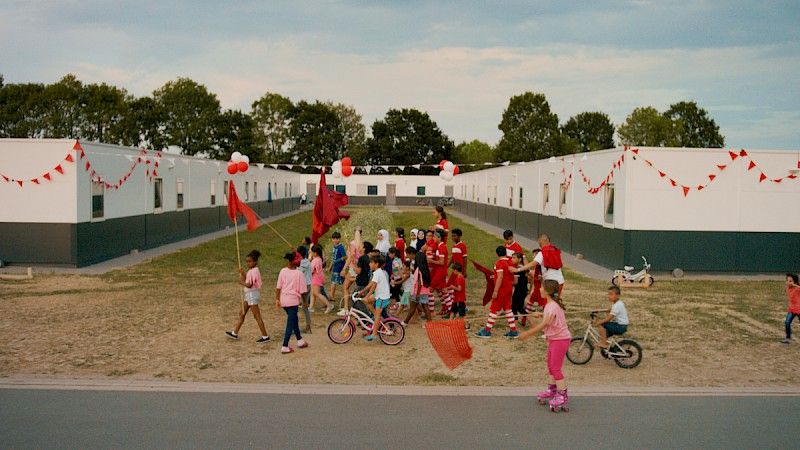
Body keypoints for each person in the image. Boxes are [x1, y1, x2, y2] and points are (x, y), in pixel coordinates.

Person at [520, 279, 571, 411]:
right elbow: (549, 318)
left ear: (547, 291)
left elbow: (544, 325)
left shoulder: (552, 306)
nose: (540, 290)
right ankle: (552, 390)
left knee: (555, 368)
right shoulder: (549, 305)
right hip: (554, 339)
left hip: (560, 339)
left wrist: (527, 334)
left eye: (542, 288)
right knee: (550, 365)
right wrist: (540, 314)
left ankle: (562, 395)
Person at [225, 250, 271, 343]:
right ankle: (235, 333)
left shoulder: (254, 271)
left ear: (255, 262)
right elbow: (248, 279)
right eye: (247, 261)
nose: (248, 263)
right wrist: (243, 274)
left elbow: (249, 285)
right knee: (242, 313)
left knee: (256, 315)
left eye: (250, 261)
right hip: (248, 295)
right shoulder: (251, 271)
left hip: (252, 294)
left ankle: (265, 336)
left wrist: (241, 282)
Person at [475, 246, 519, 339]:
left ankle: (487, 331)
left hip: (501, 289)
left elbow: (500, 277)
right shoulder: (510, 262)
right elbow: (514, 279)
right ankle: (513, 330)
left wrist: (495, 290)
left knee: (494, 309)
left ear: (497, 254)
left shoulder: (499, 263)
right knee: (508, 309)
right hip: (509, 289)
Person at [275, 251, 309, 354]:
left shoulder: (283, 271)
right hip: (293, 301)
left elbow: (278, 287)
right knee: (290, 323)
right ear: (295, 262)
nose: (300, 263)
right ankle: (285, 346)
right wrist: (304, 302)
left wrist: (277, 299)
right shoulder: (299, 274)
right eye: (299, 261)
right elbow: (303, 291)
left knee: (294, 319)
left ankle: (300, 340)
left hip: (283, 300)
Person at [513, 234, 565, 298]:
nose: (539, 244)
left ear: (542, 241)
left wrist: (518, 269)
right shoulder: (555, 250)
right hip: (560, 281)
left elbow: (533, 264)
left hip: (550, 282)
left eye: (539, 242)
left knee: (549, 301)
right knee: (556, 300)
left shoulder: (542, 252)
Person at [358, 254, 391, 342]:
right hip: (379, 295)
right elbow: (371, 284)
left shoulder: (378, 273)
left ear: (376, 264)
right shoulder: (377, 272)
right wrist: (362, 292)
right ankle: (376, 315)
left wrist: (367, 295)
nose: (369, 264)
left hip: (382, 297)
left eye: (371, 262)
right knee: (367, 301)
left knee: (376, 316)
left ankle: (374, 334)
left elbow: (373, 286)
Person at [403, 251, 431, 326]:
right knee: (425, 307)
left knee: (412, 308)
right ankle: (430, 323)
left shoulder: (418, 269)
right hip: (425, 291)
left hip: (417, 292)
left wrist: (418, 293)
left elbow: (419, 282)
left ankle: (405, 322)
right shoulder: (426, 268)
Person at [340, 228, 363, 315]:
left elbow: (350, 257)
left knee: (345, 287)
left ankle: (346, 308)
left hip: (353, 268)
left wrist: (344, 268)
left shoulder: (352, 244)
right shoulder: (362, 244)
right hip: (359, 268)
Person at [427, 230, 448, 318]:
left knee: (430, 290)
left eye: (434, 236)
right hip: (440, 272)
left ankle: (431, 312)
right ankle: (446, 309)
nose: (433, 238)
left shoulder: (441, 247)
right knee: (441, 291)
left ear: (439, 237)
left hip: (440, 272)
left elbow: (441, 262)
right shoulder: (441, 246)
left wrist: (431, 260)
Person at [309, 245, 333, 313]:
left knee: (317, 293)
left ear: (315, 253)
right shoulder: (318, 259)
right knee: (312, 293)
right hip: (316, 278)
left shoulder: (316, 260)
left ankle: (329, 305)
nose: (311, 253)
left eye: (312, 252)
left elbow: (312, 270)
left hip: (316, 278)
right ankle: (311, 307)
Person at [297, 246, 313, 331]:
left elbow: (298, 272)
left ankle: (297, 326)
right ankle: (308, 326)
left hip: (303, 286)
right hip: (307, 285)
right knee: (304, 306)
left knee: (298, 306)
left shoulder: (303, 263)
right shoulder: (306, 261)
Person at [329, 232, 346, 310]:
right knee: (333, 281)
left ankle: (345, 295)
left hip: (340, 267)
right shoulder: (334, 247)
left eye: (337, 238)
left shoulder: (340, 247)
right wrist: (331, 266)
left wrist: (336, 261)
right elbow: (333, 258)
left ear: (340, 239)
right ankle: (331, 295)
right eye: (334, 238)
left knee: (340, 282)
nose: (336, 240)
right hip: (335, 267)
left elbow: (344, 257)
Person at [511, 252, 529, 324]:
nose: (512, 259)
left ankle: (516, 320)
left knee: (514, 306)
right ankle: (522, 318)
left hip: (519, 290)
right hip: (524, 290)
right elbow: (530, 278)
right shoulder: (524, 268)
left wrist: (507, 282)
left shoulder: (517, 269)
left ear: (520, 259)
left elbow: (515, 282)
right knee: (518, 306)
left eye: (514, 258)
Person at [782, 273, 800, 344]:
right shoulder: (787, 288)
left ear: (794, 282)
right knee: (787, 322)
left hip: (799, 309)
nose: (788, 282)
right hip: (792, 309)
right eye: (787, 280)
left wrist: (795, 285)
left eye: (790, 281)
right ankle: (788, 338)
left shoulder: (797, 288)